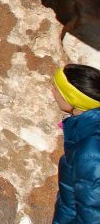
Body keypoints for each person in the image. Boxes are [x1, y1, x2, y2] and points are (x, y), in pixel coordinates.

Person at [51, 64, 100, 223]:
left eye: (56, 88)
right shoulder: (85, 131)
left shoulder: (91, 152)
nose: (52, 92)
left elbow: (92, 216)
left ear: (71, 99)